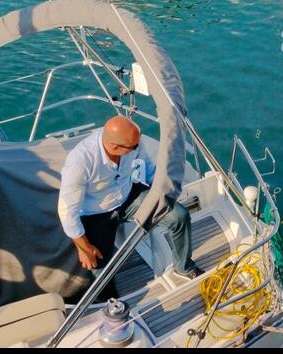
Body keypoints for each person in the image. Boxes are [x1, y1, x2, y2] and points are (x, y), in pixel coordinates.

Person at [58, 115, 200, 281]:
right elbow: (67, 212)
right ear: (115, 146)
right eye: (133, 146)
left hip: (129, 197)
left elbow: (148, 171)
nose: (138, 147)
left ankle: (183, 267)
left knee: (179, 216)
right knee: (97, 271)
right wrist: (84, 248)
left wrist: (165, 195)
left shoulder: (134, 145)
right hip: (95, 215)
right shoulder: (80, 162)